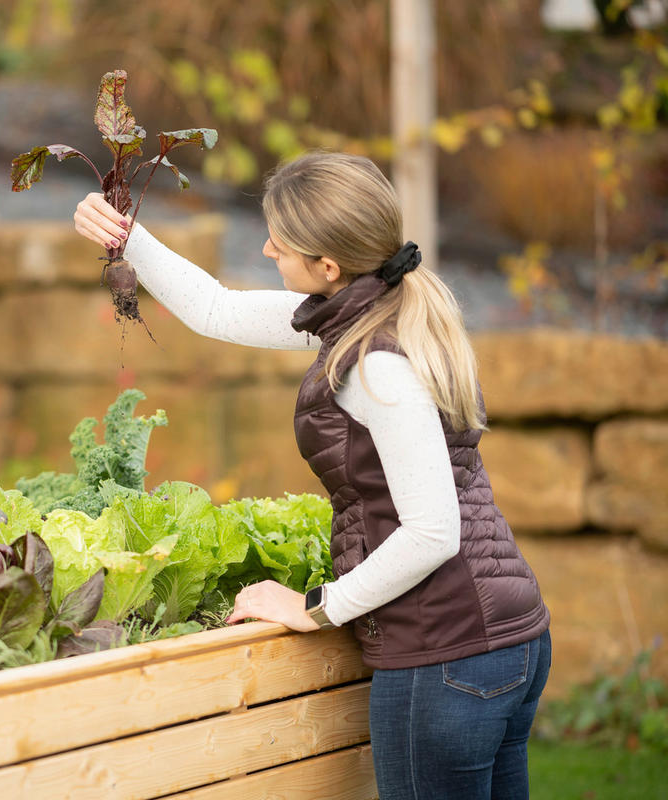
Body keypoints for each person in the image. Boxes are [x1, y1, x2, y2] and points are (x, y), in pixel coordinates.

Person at [72, 151, 552, 800]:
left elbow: (433, 532)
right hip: (502, 639)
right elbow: (217, 309)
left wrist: (314, 608)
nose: (266, 247)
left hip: (447, 656)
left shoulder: (376, 365)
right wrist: (128, 237)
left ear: (328, 266)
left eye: (282, 242)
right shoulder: (379, 308)